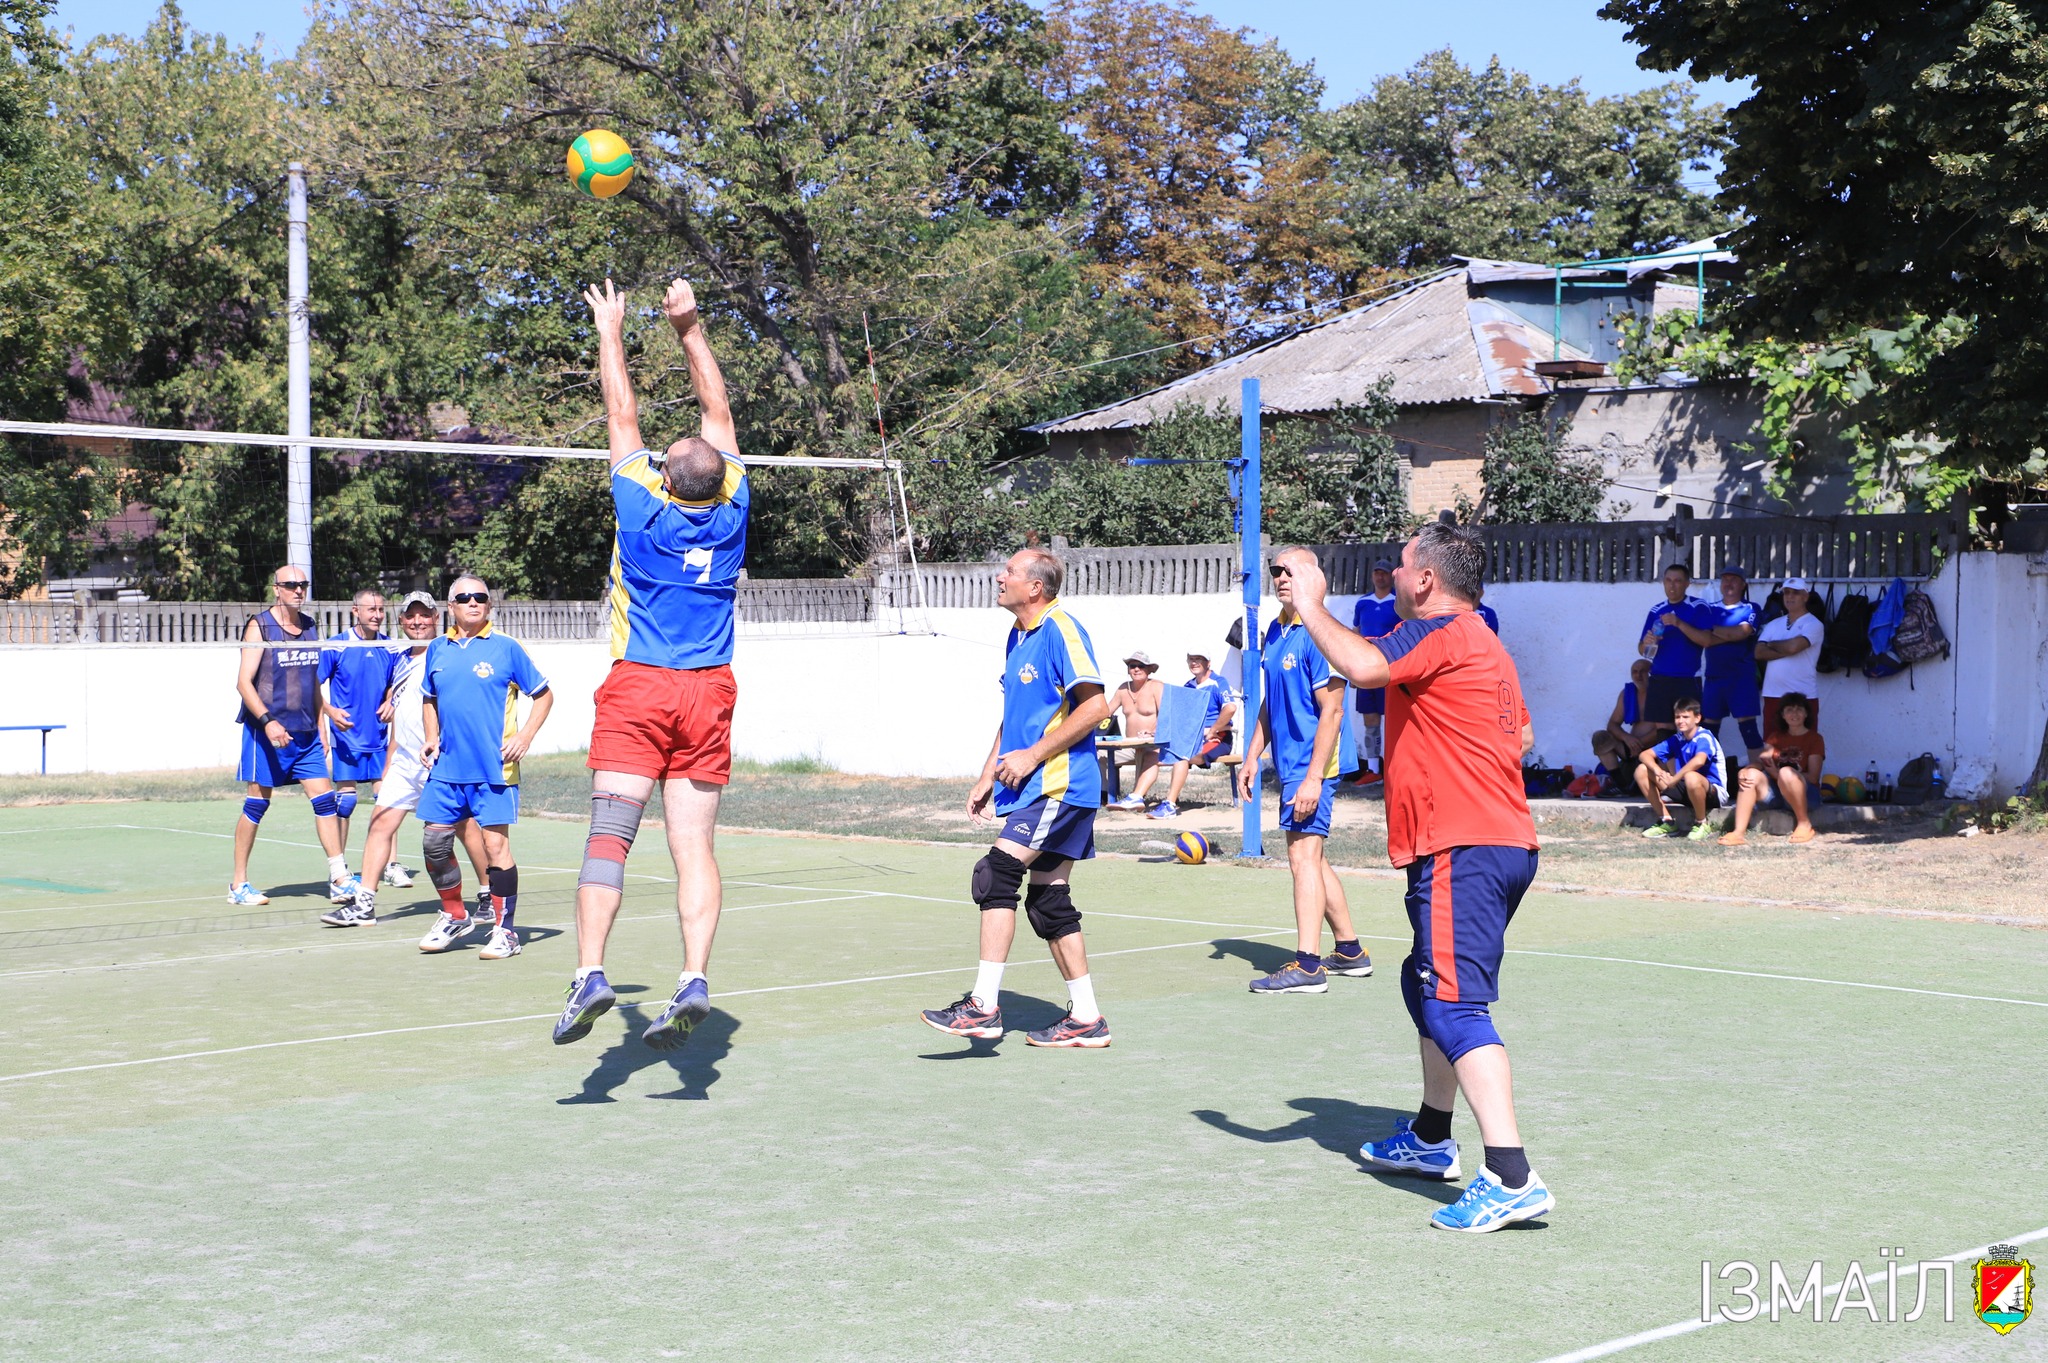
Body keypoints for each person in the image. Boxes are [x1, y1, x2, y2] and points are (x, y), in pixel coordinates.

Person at [1274, 529, 1551, 1234]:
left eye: (1401, 563)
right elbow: (1520, 736)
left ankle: (1512, 1175)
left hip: (1466, 846)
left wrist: (1310, 601)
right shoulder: (1484, 643)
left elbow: (1365, 666)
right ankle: (1432, 1136)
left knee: (1457, 1007)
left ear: (1425, 579)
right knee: (1420, 980)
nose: (1393, 572)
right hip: (1491, 842)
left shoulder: (1437, 630)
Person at [554, 277, 750, 1051]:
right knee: (694, 847)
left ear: (667, 479)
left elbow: (621, 412)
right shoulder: (733, 504)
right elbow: (719, 413)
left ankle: (591, 969)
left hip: (640, 683)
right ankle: (694, 976)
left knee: (610, 833)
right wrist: (689, 327)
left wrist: (611, 328)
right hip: (710, 690)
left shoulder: (641, 506)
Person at [920, 548, 1114, 1048]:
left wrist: (1031, 756)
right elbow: (1014, 714)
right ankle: (1087, 1019)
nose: (998, 576)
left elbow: (1095, 707)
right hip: (1034, 785)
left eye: (1009, 571)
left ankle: (983, 1007)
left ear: (1036, 587)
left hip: (1061, 783)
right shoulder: (1017, 636)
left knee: (996, 874)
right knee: (1048, 899)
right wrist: (989, 772)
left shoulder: (1061, 630)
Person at [1237, 552, 1371, 994]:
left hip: (1314, 765)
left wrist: (1314, 778)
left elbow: (1331, 712)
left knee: (1301, 859)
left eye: (1289, 571)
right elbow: (1270, 702)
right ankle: (1349, 951)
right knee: (1312, 856)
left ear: (1314, 578)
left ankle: (1309, 966)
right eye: (1275, 570)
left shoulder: (1321, 633)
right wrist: (1252, 753)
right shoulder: (1276, 630)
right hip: (1291, 764)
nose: (1279, 577)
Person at [322, 592, 493, 933]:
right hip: (404, 760)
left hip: (440, 759)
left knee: (465, 827)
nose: (418, 622)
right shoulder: (397, 656)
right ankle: (364, 903)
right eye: (410, 617)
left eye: (424, 615)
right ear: (401, 622)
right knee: (380, 822)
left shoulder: (447, 650)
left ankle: (488, 894)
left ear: (436, 617)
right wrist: (389, 759)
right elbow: (401, 712)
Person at [417, 575, 554, 961]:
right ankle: (455, 914)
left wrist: (524, 736)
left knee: (495, 847)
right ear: (451, 606)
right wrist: (432, 736)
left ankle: (505, 931)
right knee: (434, 842)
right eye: (465, 597)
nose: (473, 602)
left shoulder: (506, 648)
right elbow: (429, 699)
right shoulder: (437, 649)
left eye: (481, 597)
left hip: (494, 769)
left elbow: (544, 696)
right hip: (447, 769)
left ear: (489, 606)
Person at [227, 564, 356, 908]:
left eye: (303, 584)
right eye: (291, 585)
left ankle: (339, 876)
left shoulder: (311, 626)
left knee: (325, 799)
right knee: (257, 804)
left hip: (306, 733)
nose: (298, 590)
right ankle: (238, 883)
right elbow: (243, 683)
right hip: (265, 732)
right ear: (276, 588)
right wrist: (268, 721)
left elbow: (313, 680)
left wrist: (322, 720)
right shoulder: (260, 626)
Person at [318, 588, 409, 881]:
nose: (377, 615)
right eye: (371, 610)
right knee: (346, 802)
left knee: (388, 799)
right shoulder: (337, 645)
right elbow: (311, 687)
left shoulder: (391, 647)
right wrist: (329, 713)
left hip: (381, 737)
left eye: (381, 610)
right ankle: (340, 868)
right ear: (355, 611)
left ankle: (391, 866)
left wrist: (391, 700)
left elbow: (400, 682)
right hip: (347, 736)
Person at [1719, 692, 1823, 847]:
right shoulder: (1775, 737)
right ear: (1782, 715)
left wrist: (1777, 773)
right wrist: (1746, 770)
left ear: (1806, 713)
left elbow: (1813, 777)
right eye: (1789, 710)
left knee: (1786, 772)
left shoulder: (1814, 738)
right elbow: (1762, 763)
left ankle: (1804, 823)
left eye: (1799, 709)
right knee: (1751, 775)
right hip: (1776, 795)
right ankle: (1738, 832)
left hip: (1806, 796)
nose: (1794, 713)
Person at [1150, 650, 1236, 818]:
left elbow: (1230, 708)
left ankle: (1169, 805)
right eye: (1191, 659)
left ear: (1208, 663)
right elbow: (1177, 713)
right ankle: (1136, 798)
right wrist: (1156, 729)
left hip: (1218, 738)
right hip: (1192, 738)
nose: (1194, 662)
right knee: (1150, 753)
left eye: (1199, 659)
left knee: (1183, 755)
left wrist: (1212, 730)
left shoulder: (1218, 682)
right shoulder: (1188, 686)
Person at [1636, 563, 1716, 738]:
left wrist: (1678, 623)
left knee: (1689, 733)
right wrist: (1648, 643)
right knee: (1664, 734)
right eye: (1668, 580)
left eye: (1677, 581)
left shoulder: (1698, 606)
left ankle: (1689, 766)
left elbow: (1707, 641)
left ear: (1687, 584)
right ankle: (1668, 767)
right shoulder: (1656, 610)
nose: (1672, 585)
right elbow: (1642, 649)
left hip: (1687, 679)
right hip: (1659, 679)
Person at [1633, 697, 1727, 840]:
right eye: (1677, 717)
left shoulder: (1704, 737)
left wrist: (1674, 779)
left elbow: (1699, 761)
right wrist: (1658, 771)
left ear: (1697, 718)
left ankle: (1702, 823)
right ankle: (1666, 821)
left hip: (1713, 792)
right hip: (1686, 787)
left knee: (1691, 776)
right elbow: (1644, 755)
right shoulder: (1677, 738)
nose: (1680, 720)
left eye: (1685, 717)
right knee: (1642, 770)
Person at [1698, 566, 1762, 763]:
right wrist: (1730, 635)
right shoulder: (1710, 608)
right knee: (1709, 731)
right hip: (1714, 677)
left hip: (1741, 677)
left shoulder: (1751, 608)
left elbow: (1741, 633)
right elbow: (1705, 640)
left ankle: (1759, 779)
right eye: (1725, 579)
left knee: (1749, 729)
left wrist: (1715, 630)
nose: (1728, 584)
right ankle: (1708, 780)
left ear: (1743, 584)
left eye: (1734, 579)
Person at [1349, 558, 1398, 784]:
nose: (1380, 577)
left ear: (1391, 576)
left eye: (1384, 573)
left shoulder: (1398, 601)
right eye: (1377, 573)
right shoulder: (1363, 603)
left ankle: (1395, 768)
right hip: (1367, 667)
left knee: (1396, 718)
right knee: (1370, 720)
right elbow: (1357, 633)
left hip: (1390, 668)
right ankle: (1373, 769)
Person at [1756, 577, 1825, 734]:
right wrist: (1786, 647)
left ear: (1805, 597)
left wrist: (1771, 644)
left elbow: (1794, 647)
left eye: (1795, 593)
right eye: (1786, 592)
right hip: (1772, 693)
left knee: (1803, 746)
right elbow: (1758, 652)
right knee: (1772, 746)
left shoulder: (1814, 624)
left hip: (1803, 695)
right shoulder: (1774, 623)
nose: (1790, 596)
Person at [1109, 651, 1165, 810]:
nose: (1136, 669)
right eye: (1132, 666)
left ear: (1149, 669)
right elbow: (1106, 712)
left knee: (1150, 755)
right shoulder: (1122, 689)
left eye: (1141, 666)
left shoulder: (1156, 686)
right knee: (1099, 755)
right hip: (1129, 746)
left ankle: (1136, 797)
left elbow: (1166, 715)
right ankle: (1104, 795)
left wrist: (1153, 732)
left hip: (1153, 744)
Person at [1589, 659, 1658, 780]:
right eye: (1634, 672)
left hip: (1654, 748)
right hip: (1630, 747)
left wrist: (1639, 743)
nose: (1638, 675)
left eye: (1643, 671)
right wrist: (1627, 738)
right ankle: (1619, 785)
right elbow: (1612, 724)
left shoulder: (1660, 693)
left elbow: (1665, 728)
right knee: (1600, 738)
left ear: (1651, 673)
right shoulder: (1627, 693)